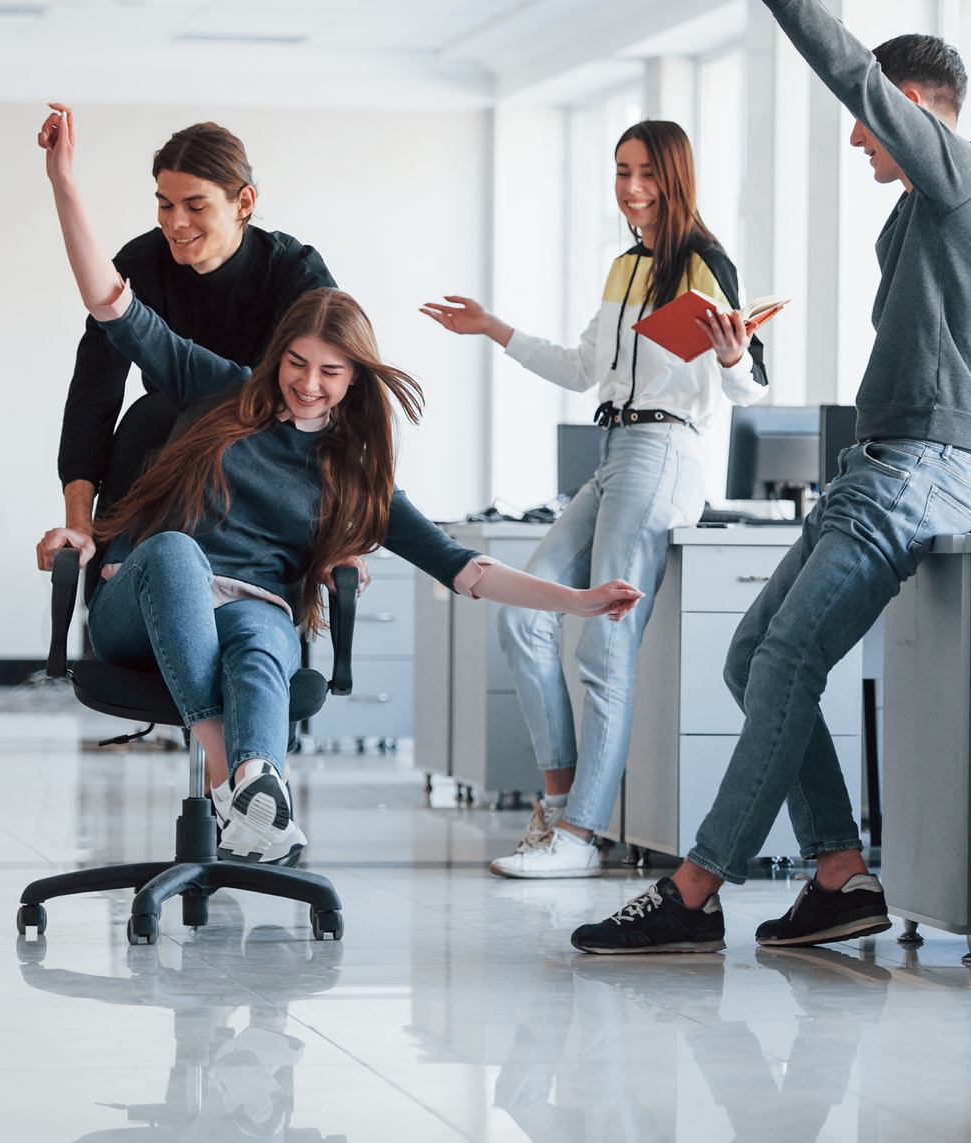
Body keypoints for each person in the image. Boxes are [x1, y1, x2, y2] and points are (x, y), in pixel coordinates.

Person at [571, 0, 971, 953]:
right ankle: (838, 873)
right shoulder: (911, 222)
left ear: (918, 113)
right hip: (878, 463)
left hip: (916, 468)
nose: (860, 139)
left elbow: (859, 84)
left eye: (877, 124)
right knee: (749, 658)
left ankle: (691, 892)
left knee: (780, 660)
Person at [34, 128, 643, 869]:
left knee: (264, 640)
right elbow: (110, 305)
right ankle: (230, 778)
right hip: (146, 599)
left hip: (247, 610)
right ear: (273, 357)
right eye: (294, 363)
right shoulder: (220, 386)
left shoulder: (353, 472)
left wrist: (576, 601)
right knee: (173, 551)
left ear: (355, 378)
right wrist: (65, 182)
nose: (307, 383)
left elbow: (461, 567)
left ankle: (259, 790)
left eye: (329, 371)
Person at [422, 120, 769, 879]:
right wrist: (493, 328)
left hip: (665, 452)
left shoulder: (706, 264)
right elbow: (585, 368)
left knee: (606, 648)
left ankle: (580, 837)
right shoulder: (624, 267)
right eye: (620, 171)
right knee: (522, 611)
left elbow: (748, 382)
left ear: (675, 177)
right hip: (611, 451)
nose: (631, 187)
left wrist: (735, 355)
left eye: (646, 172)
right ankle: (558, 808)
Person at [45, 105, 337, 593]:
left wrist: (340, 539)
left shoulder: (295, 272)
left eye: (195, 206)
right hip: (163, 452)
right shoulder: (139, 263)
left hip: (262, 462)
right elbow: (92, 396)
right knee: (151, 418)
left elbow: (337, 397)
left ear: (243, 201)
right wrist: (80, 524)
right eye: (164, 204)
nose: (176, 223)